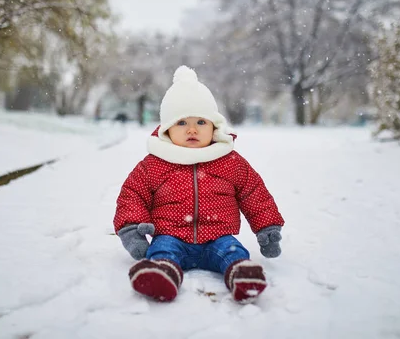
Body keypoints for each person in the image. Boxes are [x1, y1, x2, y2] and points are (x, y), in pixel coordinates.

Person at [113, 65, 285, 303]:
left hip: (218, 237)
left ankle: (242, 275)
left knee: (233, 251)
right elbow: (133, 195)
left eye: (201, 122)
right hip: (171, 236)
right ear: (167, 129)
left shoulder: (229, 161)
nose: (192, 129)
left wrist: (267, 228)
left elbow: (253, 193)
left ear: (214, 126)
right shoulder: (154, 164)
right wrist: (131, 230)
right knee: (161, 252)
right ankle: (162, 274)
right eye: (182, 123)